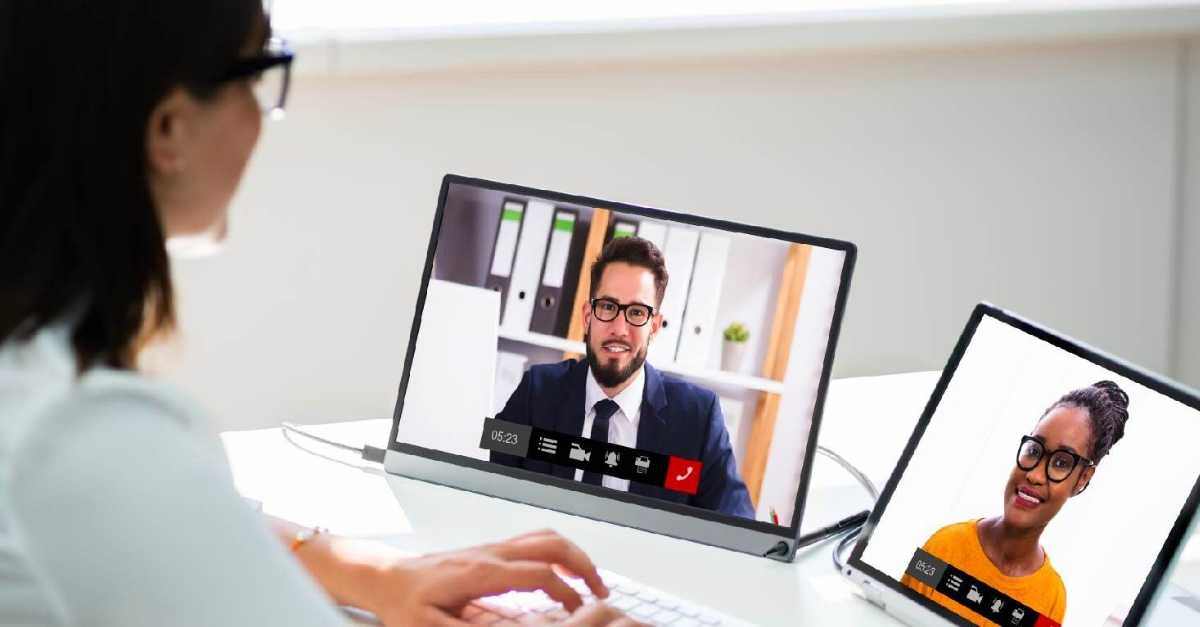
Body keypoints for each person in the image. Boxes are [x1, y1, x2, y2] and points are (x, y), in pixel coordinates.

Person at [0, 2, 641, 625]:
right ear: (167, 128)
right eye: (256, 75)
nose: (261, 112)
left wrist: (370, 571)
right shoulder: (87, 429)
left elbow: (150, 520)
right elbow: (129, 490)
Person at [490, 237, 755, 519]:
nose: (619, 328)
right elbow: (485, 482)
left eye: (637, 312)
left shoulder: (697, 418)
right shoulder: (538, 391)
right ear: (588, 316)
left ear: (654, 326)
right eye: (607, 307)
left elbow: (737, 526)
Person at [901, 381, 1132, 626]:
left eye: (1061, 463)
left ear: (1082, 479)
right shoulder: (942, 546)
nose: (1034, 474)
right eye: (1034, 450)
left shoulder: (1052, 599)